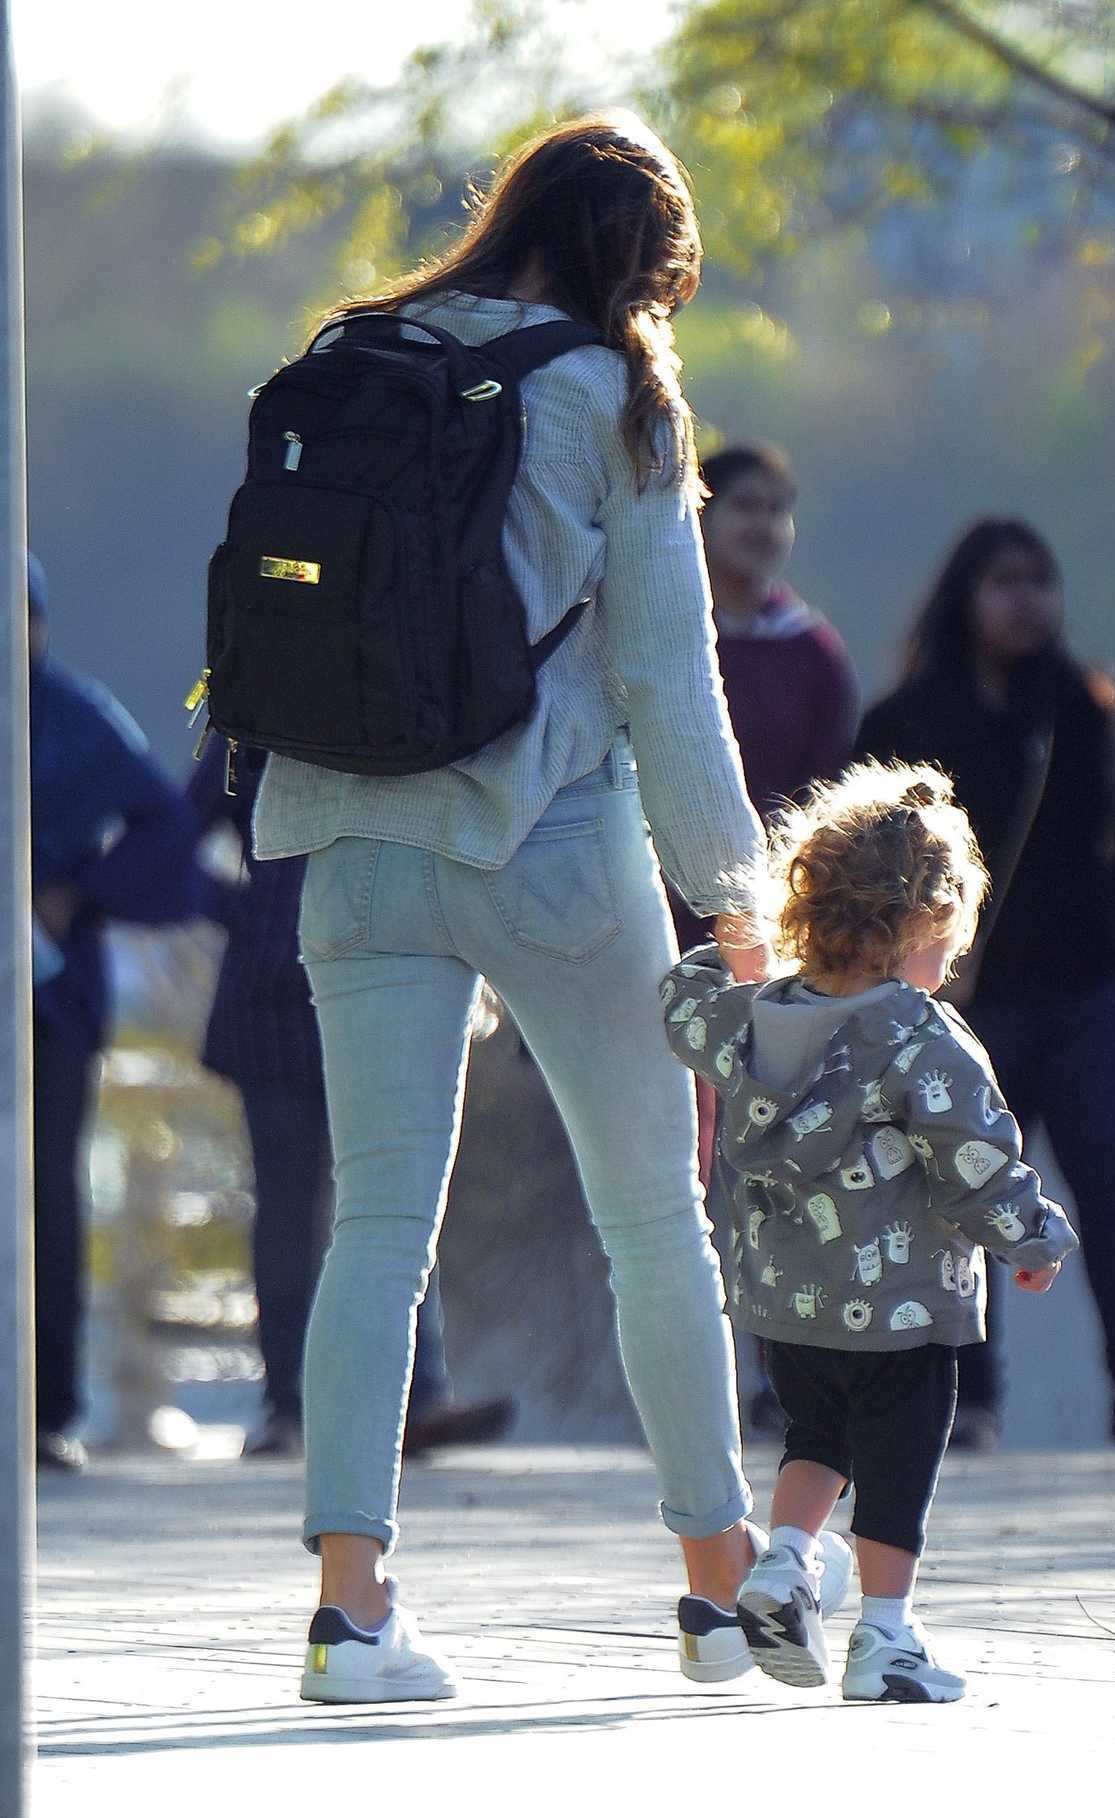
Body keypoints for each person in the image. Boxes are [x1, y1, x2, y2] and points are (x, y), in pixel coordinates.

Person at [250, 112, 783, 1704]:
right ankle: (715, 1587)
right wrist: (734, 904)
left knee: (377, 1227)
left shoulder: (355, 350)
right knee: (650, 1222)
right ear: (644, 265)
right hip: (544, 844)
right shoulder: (608, 394)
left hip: (346, 833)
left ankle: (351, 1614)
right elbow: (665, 682)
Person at [662, 759, 1078, 1701]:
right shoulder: (922, 1037)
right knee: (896, 1467)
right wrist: (1035, 1238)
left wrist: (724, 951)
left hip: (788, 1300)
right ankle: (886, 1639)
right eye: (948, 943)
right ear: (921, 926)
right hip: (903, 1312)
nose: (950, 966)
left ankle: (786, 1564)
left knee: (816, 1434)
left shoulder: (758, 1018)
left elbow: (681, 1010)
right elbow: (976, 1155)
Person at [858, 519, 1115, 1449]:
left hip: (1091, 987)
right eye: (1006, 582)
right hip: (970, 1004)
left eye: (1041, 582)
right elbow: (874, 859)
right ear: (965, 596)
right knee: (964, 1193)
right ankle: (970, 1398)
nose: (1028, 601)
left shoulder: (1079, 706)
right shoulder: (906, 722)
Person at [187, 740, 515, 1459]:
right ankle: (287, 1405)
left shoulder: (402, 691)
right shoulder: (253, 714)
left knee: (397, 1194)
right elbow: (178, 833)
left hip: (385, 976)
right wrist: (239, 911)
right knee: (287, 1206)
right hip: (274, 1001)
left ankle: (415, 1398)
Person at [28, 554, 204, 1471]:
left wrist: (78, 891)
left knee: (47, 1197)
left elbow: (164, 827)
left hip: (51, 997)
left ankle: (48, 1410)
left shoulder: (74, 715)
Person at [672, 443, 859, 1179]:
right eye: (746, 506)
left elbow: (827, 799)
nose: (765, 525)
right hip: (655, 916)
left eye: (779, 510)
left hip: (765, 934)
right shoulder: (667, 633)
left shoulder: (814, 651)